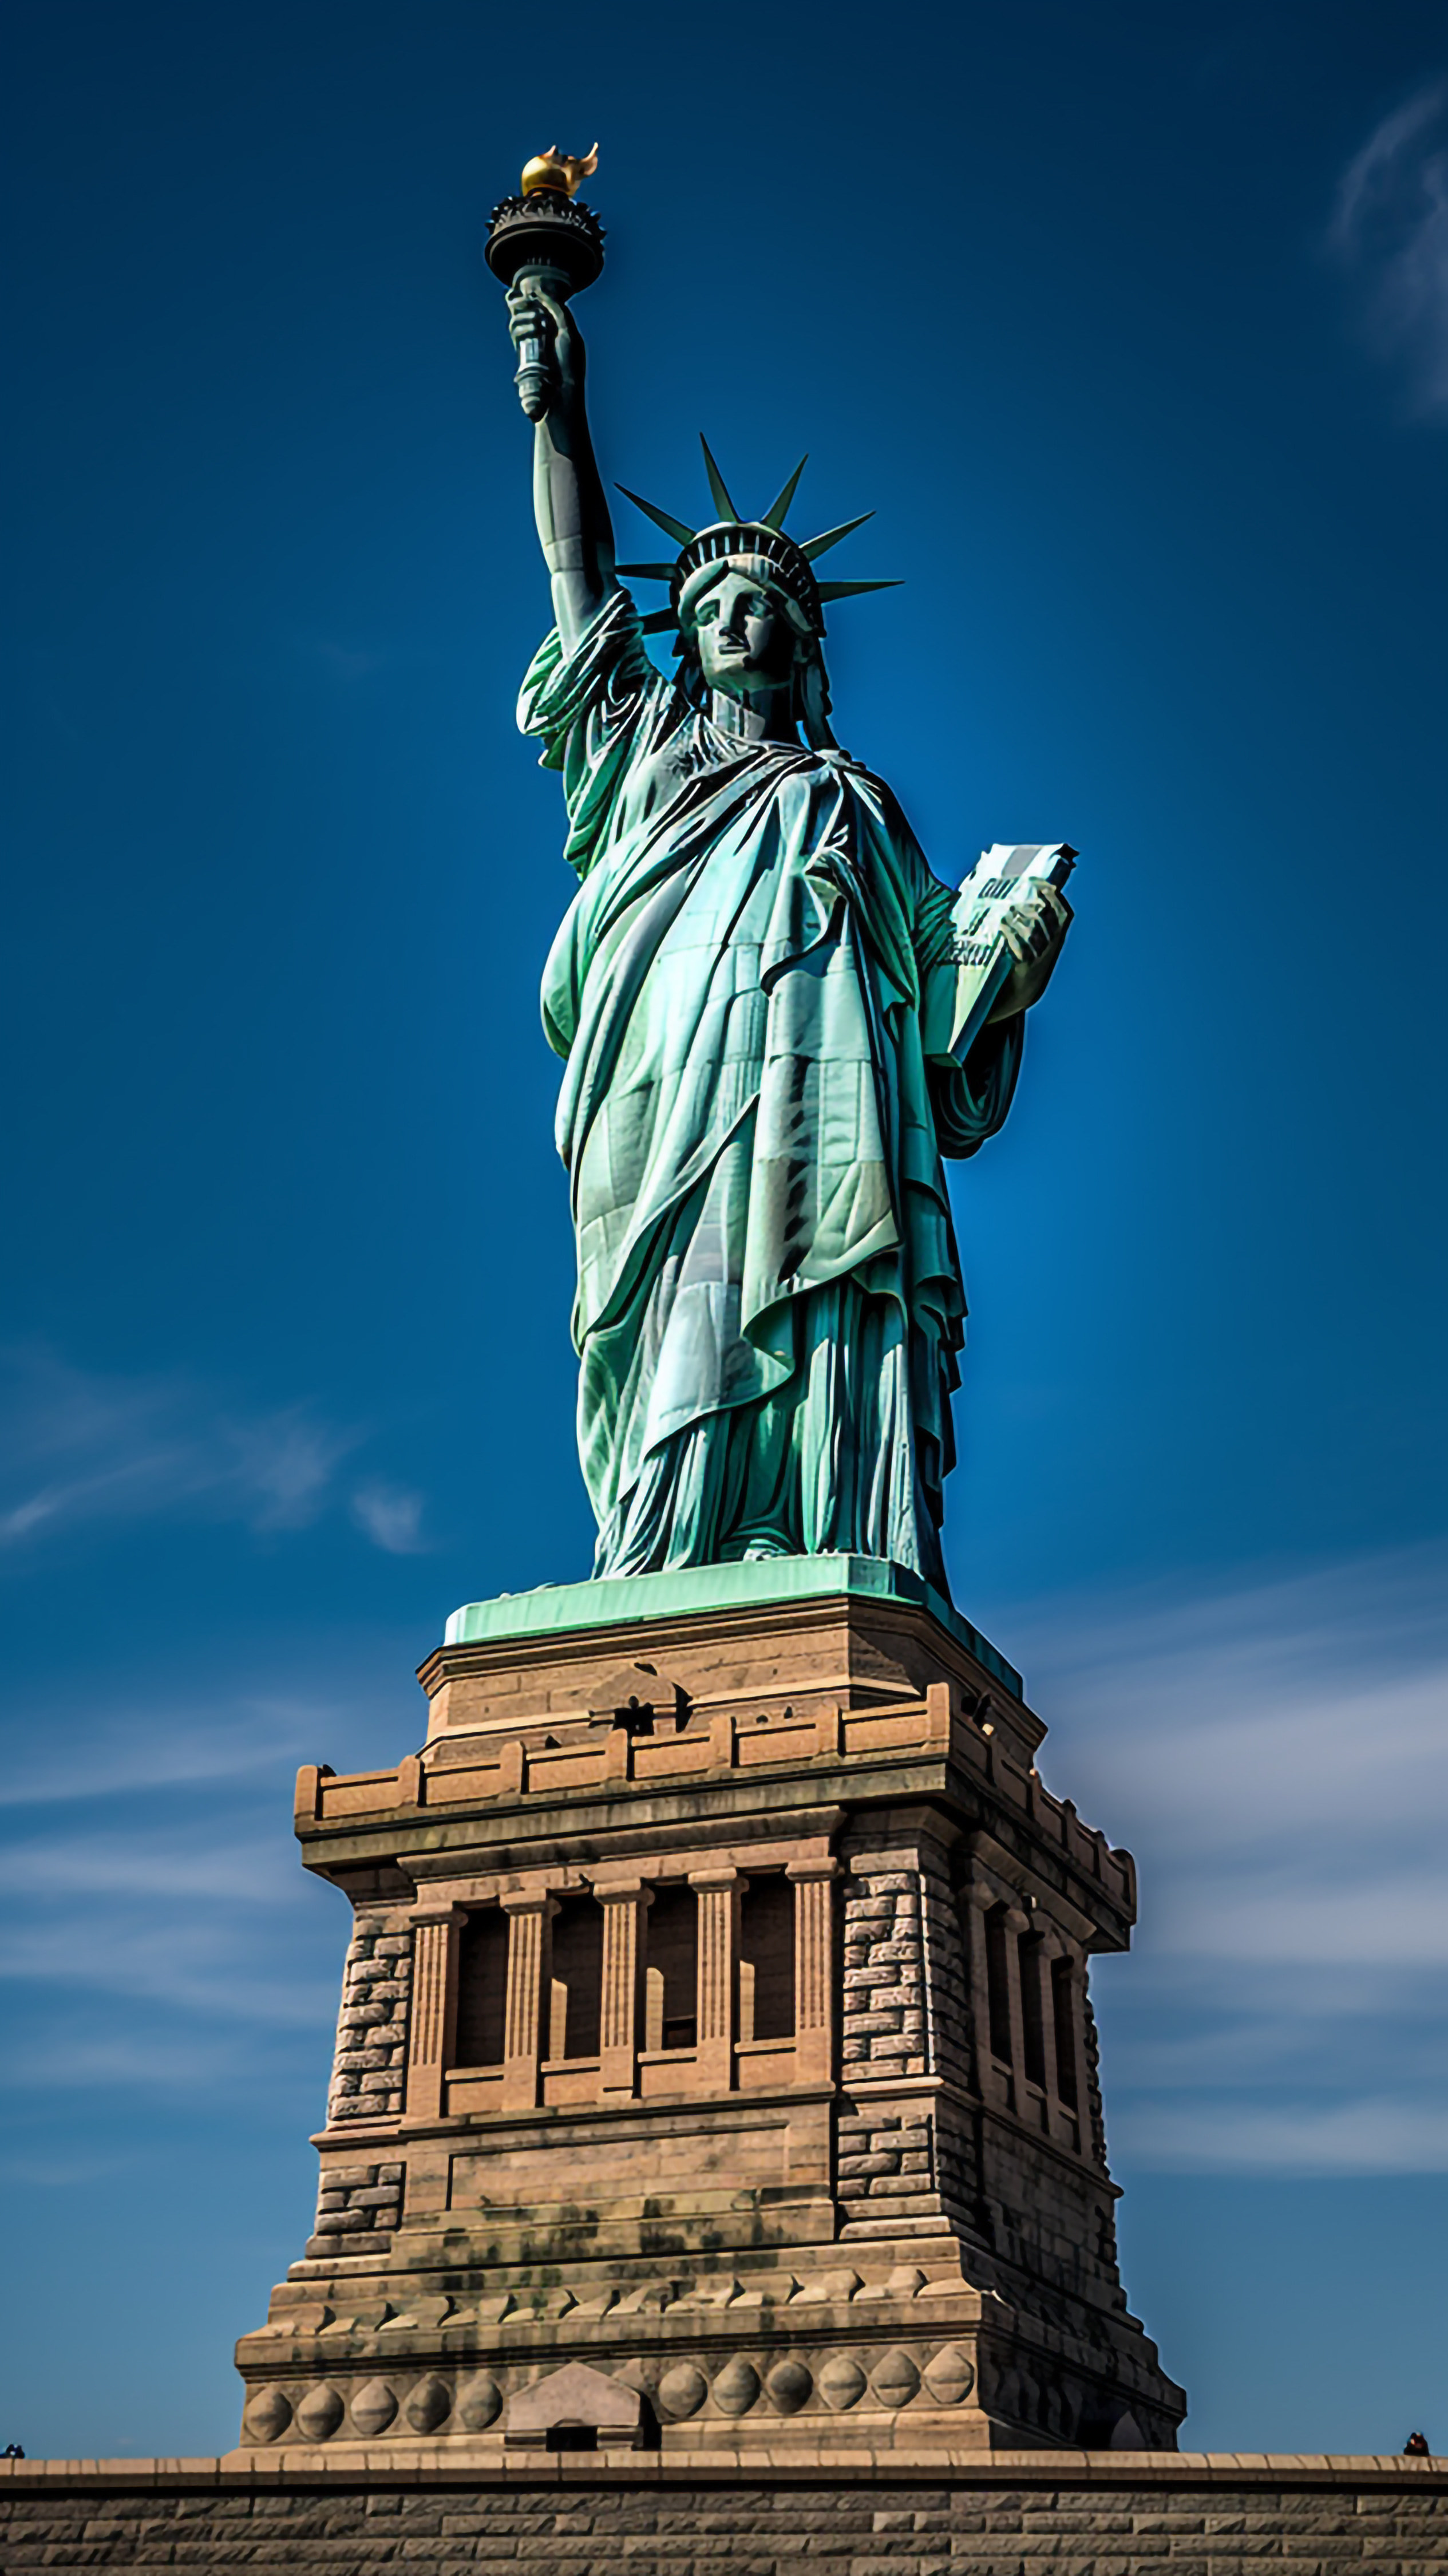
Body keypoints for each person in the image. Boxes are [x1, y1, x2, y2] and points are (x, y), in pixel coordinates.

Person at [507, 285, 1070, 1593]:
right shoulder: (644, 751)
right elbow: (573, 577)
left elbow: (941, 1009)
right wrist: (562, 409)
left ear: (804, 639)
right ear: (683, 644)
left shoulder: (858, 805)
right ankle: (658, 1546)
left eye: (763, 603)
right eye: (710, 608)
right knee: (671, 1303)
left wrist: (1011, 959)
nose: (735, 621)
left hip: (824, 1106)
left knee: (818, 1279)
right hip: (661, 1089)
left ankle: (818, 1531)